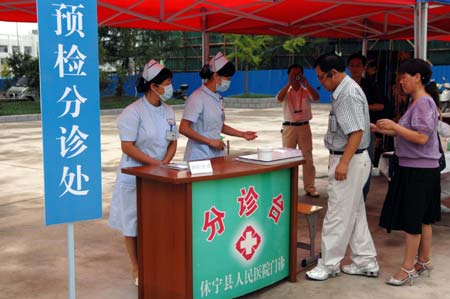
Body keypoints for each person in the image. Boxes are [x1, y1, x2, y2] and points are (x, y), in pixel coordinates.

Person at [305, 53, 379, 281]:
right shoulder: (347, 90)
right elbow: (359, 126)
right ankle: (366, 261)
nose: (321, 83)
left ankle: (328, 264)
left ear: (333, 73)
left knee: (337, 214)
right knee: (354, 214)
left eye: (321, 78)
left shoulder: (347, 94)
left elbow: (355, 132)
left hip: (350, 160)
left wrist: (344, 162)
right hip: (352, 158)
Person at [108, 60, 178, 287]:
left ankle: (155, 260)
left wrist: (163, 164)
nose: (170, 87)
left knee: (156, 219)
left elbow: (173, 142)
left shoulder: (168, 111)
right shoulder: (133, 112)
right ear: (153, 86)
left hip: (159, 173)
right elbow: (127, 146)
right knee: (132, 222)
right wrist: (153, 164)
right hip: (134, 174)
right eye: (166, 83)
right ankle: (136, 266)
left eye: (170, 83)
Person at [373, 58, 441, 286]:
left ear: (417, 77)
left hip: (418, 170)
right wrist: (385, 129)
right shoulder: (418, 102)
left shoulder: (422, 103)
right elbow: (410, 133)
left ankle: (407, 267)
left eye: (404, 76)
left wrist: (395, 127)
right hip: (420, 168)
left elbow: (422, 137)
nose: (400, 81)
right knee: (423, 219)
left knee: (413, 220)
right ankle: (423, 261)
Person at [180, 52, 257, 161]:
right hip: (199, 155)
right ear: (216, 76)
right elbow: (184, 128)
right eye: (228, 78)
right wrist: (209, 141)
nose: (229, 82)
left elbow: (219, 125)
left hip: (216, 153)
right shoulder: (197, 97)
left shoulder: (217, 98)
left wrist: (242, 134)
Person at [276, 64, 320, 197]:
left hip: (304, 127)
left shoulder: (305, 90)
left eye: (298, 74)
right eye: (293, 74)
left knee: (308, 158)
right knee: (287, 158)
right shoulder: (286, 91)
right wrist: (289, 84)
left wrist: (306, 84)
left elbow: (316, 98)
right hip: (289, 127)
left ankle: (310, 187)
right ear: (288, 75)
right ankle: (287, 188)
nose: (296, 76)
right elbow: (279, 98)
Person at [347, 53, 385, 201]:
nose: (355, 69)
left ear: (363, 68)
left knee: (364, 163)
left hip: (366, 130)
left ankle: (362, 197)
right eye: (352, 66)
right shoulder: (343, 85)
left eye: (358, 66)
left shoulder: (371, 85)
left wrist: (362, 106)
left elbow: (380, 105)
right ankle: (349, 197)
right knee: (348, 163)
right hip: (347, 131)